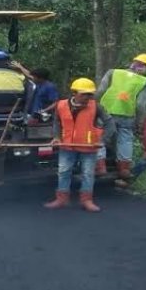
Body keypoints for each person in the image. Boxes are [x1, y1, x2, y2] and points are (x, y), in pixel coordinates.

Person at [45, 77, 115, 212]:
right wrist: (56, 137)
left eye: (90, 94)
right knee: (63, 172)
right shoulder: (61, 105)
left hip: (88, 147)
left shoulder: (96, 106)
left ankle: (87, 200)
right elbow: (57, 123)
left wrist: (103, 140)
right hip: (67, 146)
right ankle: (61, 199)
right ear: (74, 93)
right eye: (84, 94)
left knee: (88, 174)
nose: (87, 97)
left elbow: (110, 124)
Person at [95, 53, 146, 177]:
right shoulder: (143, 82)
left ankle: (100, 167)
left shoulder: (112, 72)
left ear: (133, 62)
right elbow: (140, 104)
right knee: (125, 140)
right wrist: (139, 120)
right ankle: (124, 169)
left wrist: (93, 106)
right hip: (126, 115)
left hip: (105, 112)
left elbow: (100, 90)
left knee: (100, 137)